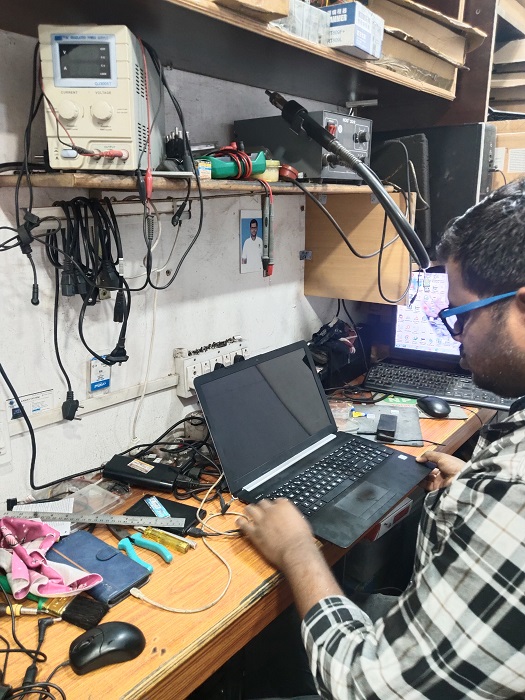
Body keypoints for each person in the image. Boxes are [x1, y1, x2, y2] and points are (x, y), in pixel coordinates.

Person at [237, 178, 525, 699]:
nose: (458, 339)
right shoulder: (505, 482)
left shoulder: (513, 491)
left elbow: (366, 687)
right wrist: (474, 488)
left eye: (460, 315)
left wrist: (298, 549)